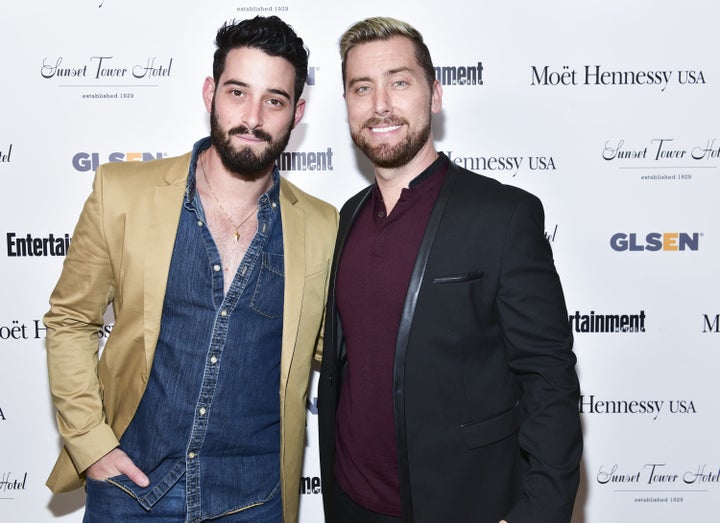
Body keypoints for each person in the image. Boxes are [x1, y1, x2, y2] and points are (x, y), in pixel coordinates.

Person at [44, 15, 337, 523]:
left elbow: (336, 354)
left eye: (275, 99)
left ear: (297, 113)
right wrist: (91, 445)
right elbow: (70, 320)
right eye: (238, 92)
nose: (253, 116)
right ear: (210, 93)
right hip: (130, 492)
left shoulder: (322, 225)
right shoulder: (123, 193)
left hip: (254, 500)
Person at [318, 16, 582, 523]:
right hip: (349, 504)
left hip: (461, 505)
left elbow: (549, 377)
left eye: (399, 82)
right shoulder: (347, 216)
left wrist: (538, 512)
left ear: (434, 94)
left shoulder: (502, 216)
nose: (380, 106)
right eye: (361, 88)